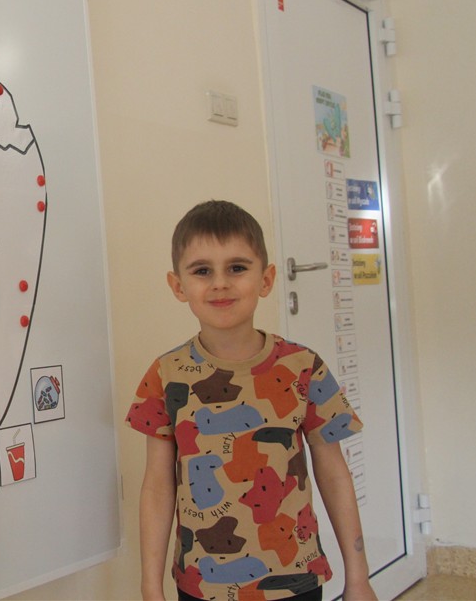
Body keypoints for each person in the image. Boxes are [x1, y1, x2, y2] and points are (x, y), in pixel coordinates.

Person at [127, 200, 376, 601]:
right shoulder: (165, 375)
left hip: (295, 582)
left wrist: (358, 577)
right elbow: (157, 487)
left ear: (266, 279)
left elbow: (334, 475)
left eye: (237, 268)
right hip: (201, 586)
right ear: (178, 286)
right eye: (202, 270)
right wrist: (150, 586)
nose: (220, 283)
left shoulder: (304, 368)